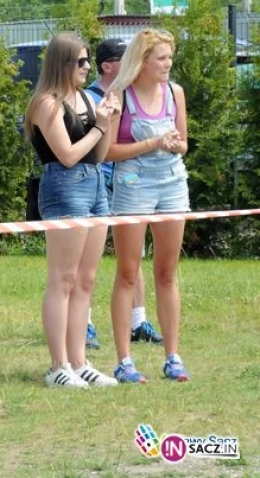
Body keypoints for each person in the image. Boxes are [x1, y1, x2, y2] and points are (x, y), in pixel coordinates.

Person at [24, 32, 119, 389]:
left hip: (94, 184)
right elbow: (66, 155)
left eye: (88, 60)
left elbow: (99, 154)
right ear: (62, 63)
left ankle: (80, 362)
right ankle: (58, 365)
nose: (87, 67)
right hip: (64, 186)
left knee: (86, 279)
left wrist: (108, 121)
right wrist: (99, 126)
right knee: (62, 278)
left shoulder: (85, 98)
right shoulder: (46, 104)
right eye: (81, 61)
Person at [106, 29, 190, 384]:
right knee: (128, 273)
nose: (168, 64)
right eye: (161, 58)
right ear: (142, 61)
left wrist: (173, 144)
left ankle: (173, 357)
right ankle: (124, 361)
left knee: (167, 273)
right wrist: (153, 142)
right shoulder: (120, 95)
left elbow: (184, 144)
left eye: (170, 58)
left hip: (172, 183)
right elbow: (107, 151)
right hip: (133, 185)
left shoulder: (175, 93)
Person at [83, 38, 163, 350]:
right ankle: (84, 324)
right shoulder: (89, 98)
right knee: (86, 259)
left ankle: (138, 322)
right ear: (108, 66)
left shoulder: (131, 95)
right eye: (125, 57)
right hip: (96, 183)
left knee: (132, 257)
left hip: (127, 183)